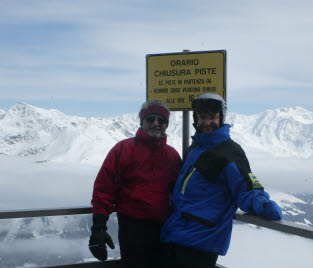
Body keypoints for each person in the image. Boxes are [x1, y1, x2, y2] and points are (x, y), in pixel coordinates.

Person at [160, 93, 283, 268]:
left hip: (202, 241)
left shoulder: (229, 152)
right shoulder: (196, 147)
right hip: (179, 234)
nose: (207, 122)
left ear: (221, 118)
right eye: (203, 117)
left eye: (213, 117)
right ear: (196, 118)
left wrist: (263, 205)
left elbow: (246, 188)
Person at [89, 100, 181, 267]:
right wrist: (98, 228)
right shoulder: (123, 149)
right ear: (142, 122)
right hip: (132, 228)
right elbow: (104, 189)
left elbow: (180, 194)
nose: (156, 124)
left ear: (166, 125)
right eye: (150, 119)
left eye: (161, 121)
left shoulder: (172, 156)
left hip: (165, 229)